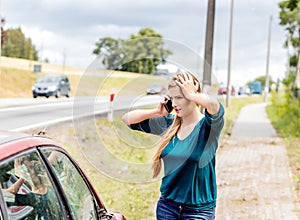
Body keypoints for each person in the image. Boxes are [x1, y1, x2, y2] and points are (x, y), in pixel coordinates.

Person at [122, 71, 224, 220]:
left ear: (192, 96)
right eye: (172, 98)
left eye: (180, 97)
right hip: (167, 207)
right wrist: (157, 112)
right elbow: (128, 119)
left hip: (198, 211)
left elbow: (215, 106)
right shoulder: (169, 124)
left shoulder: (208, 127)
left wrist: (192, 95)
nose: (174, 104)